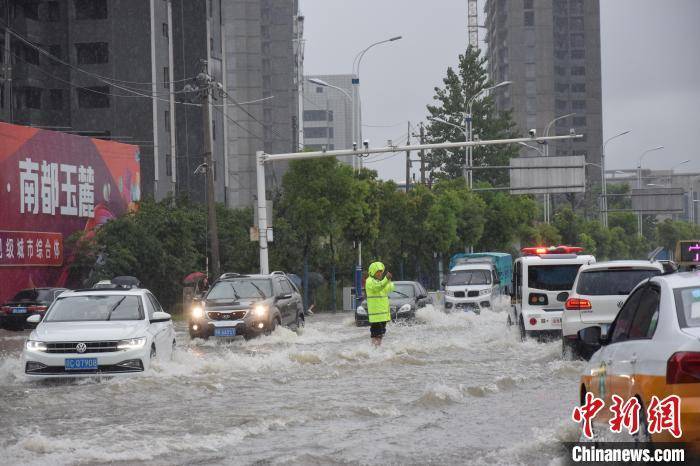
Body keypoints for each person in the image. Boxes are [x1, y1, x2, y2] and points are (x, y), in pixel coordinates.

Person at [365, 261, 394, 346]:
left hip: (383, 315)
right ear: (373, 272)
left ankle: (377, 351)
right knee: (376, 334)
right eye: (378, 272)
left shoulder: (380, 282)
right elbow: (377, 288)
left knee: (380, 335)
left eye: (381, 272)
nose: (380, 274)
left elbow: (390, 289)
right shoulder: (370, 281)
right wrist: (386, 279)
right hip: (376, 316)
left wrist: (388, 280)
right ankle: (374, 351)